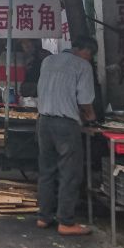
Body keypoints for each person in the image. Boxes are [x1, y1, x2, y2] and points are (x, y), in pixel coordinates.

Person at [35, 34, 98, 236]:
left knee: (46, 171)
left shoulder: (48, 60)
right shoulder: (82, 66)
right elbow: (85, 99)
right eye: (90, 56)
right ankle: (66, 221)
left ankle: (44, 217)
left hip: (43, 121)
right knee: (69, 173)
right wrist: (91, 116)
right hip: (65, 125)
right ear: (86, 52)